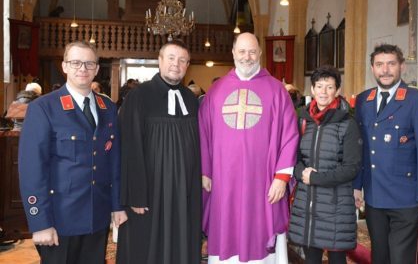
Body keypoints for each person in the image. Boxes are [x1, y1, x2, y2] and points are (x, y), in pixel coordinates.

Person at [18, 41, 127, 263]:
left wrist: (116, 205)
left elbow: (113, 162)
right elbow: (32, 170)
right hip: (59, 221)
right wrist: (40, 223)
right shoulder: (44, 108)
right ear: (64, 66)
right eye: (75, 62)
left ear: (97, 69)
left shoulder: (108, 109)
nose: (83, 69)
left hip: (96, 217)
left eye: (89, 63)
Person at [199, 32, 299, 263]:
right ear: (233, 53)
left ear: (260, 53)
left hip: (263, 181)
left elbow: (290, 134)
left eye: (252, 51)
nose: (247, 57)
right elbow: (203, 132)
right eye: (242, 51)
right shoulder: (216, 91)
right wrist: (205, 170)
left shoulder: (276, 91)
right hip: (225, 181)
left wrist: (281, 177)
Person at [353, 44, 418, 264]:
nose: (385, 70)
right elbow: (360, 147)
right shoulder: (364, 100)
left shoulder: (417, 100)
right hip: (374, 197)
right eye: (379, 65)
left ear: (401, 66)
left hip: (406, 198)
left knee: (401, 258)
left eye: (391, 64)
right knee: (380, 257)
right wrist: (356, 185)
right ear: (372, 68)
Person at [116, 40, 201, 264]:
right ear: (160, 61)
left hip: (184, 192)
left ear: (188, 65)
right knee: (145, 249)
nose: (176, 64)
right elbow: (129, 148)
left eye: (182, 60)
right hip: (150, 193)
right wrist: (135, 194)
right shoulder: (138, 97)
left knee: (180, 242)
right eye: (171, 58)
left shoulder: (192, 101)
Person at [288, 65, 362, 264]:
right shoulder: (303, 120)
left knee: (337, 259)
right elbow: (292, 158)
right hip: (307, 204)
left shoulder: (347, 123)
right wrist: (301, 172)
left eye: (329, 87)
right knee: (311, 259)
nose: (323, 92)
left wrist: (314, 178)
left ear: (337, 91)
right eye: (319, 86)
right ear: (312, 90)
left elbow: (351, 168)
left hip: (335, 204)